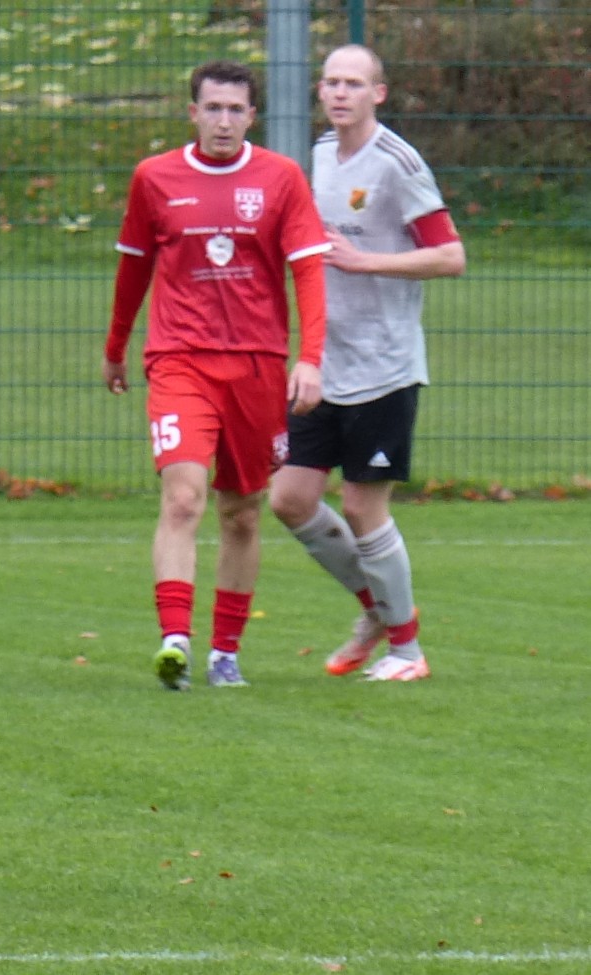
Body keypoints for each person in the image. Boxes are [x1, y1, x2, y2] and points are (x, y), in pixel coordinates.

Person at [102, 60, 330, 691]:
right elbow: (133, 269)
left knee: (242, 513)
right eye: (213, 109)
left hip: (258, 365)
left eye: (235, 110)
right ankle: (175, 639)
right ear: (193, 113)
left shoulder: (281, 179)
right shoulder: (154, 178)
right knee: (183, 498)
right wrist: (116, 346)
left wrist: (310, 357)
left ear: (251, 116)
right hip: (179, 360)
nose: (223, 121)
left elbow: (309, 272)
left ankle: (225, 653)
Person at [269, 45, 465, 682]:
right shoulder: (322, 154)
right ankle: (378, 608)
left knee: (361, 507)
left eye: (354, 83)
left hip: (385, 367)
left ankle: (407, 651)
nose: (339, 93)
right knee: (290, 498)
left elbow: (451, 257)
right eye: (331, 82)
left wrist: (365, 261)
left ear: (378, 93)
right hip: (325, 364)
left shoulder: (397, 164)